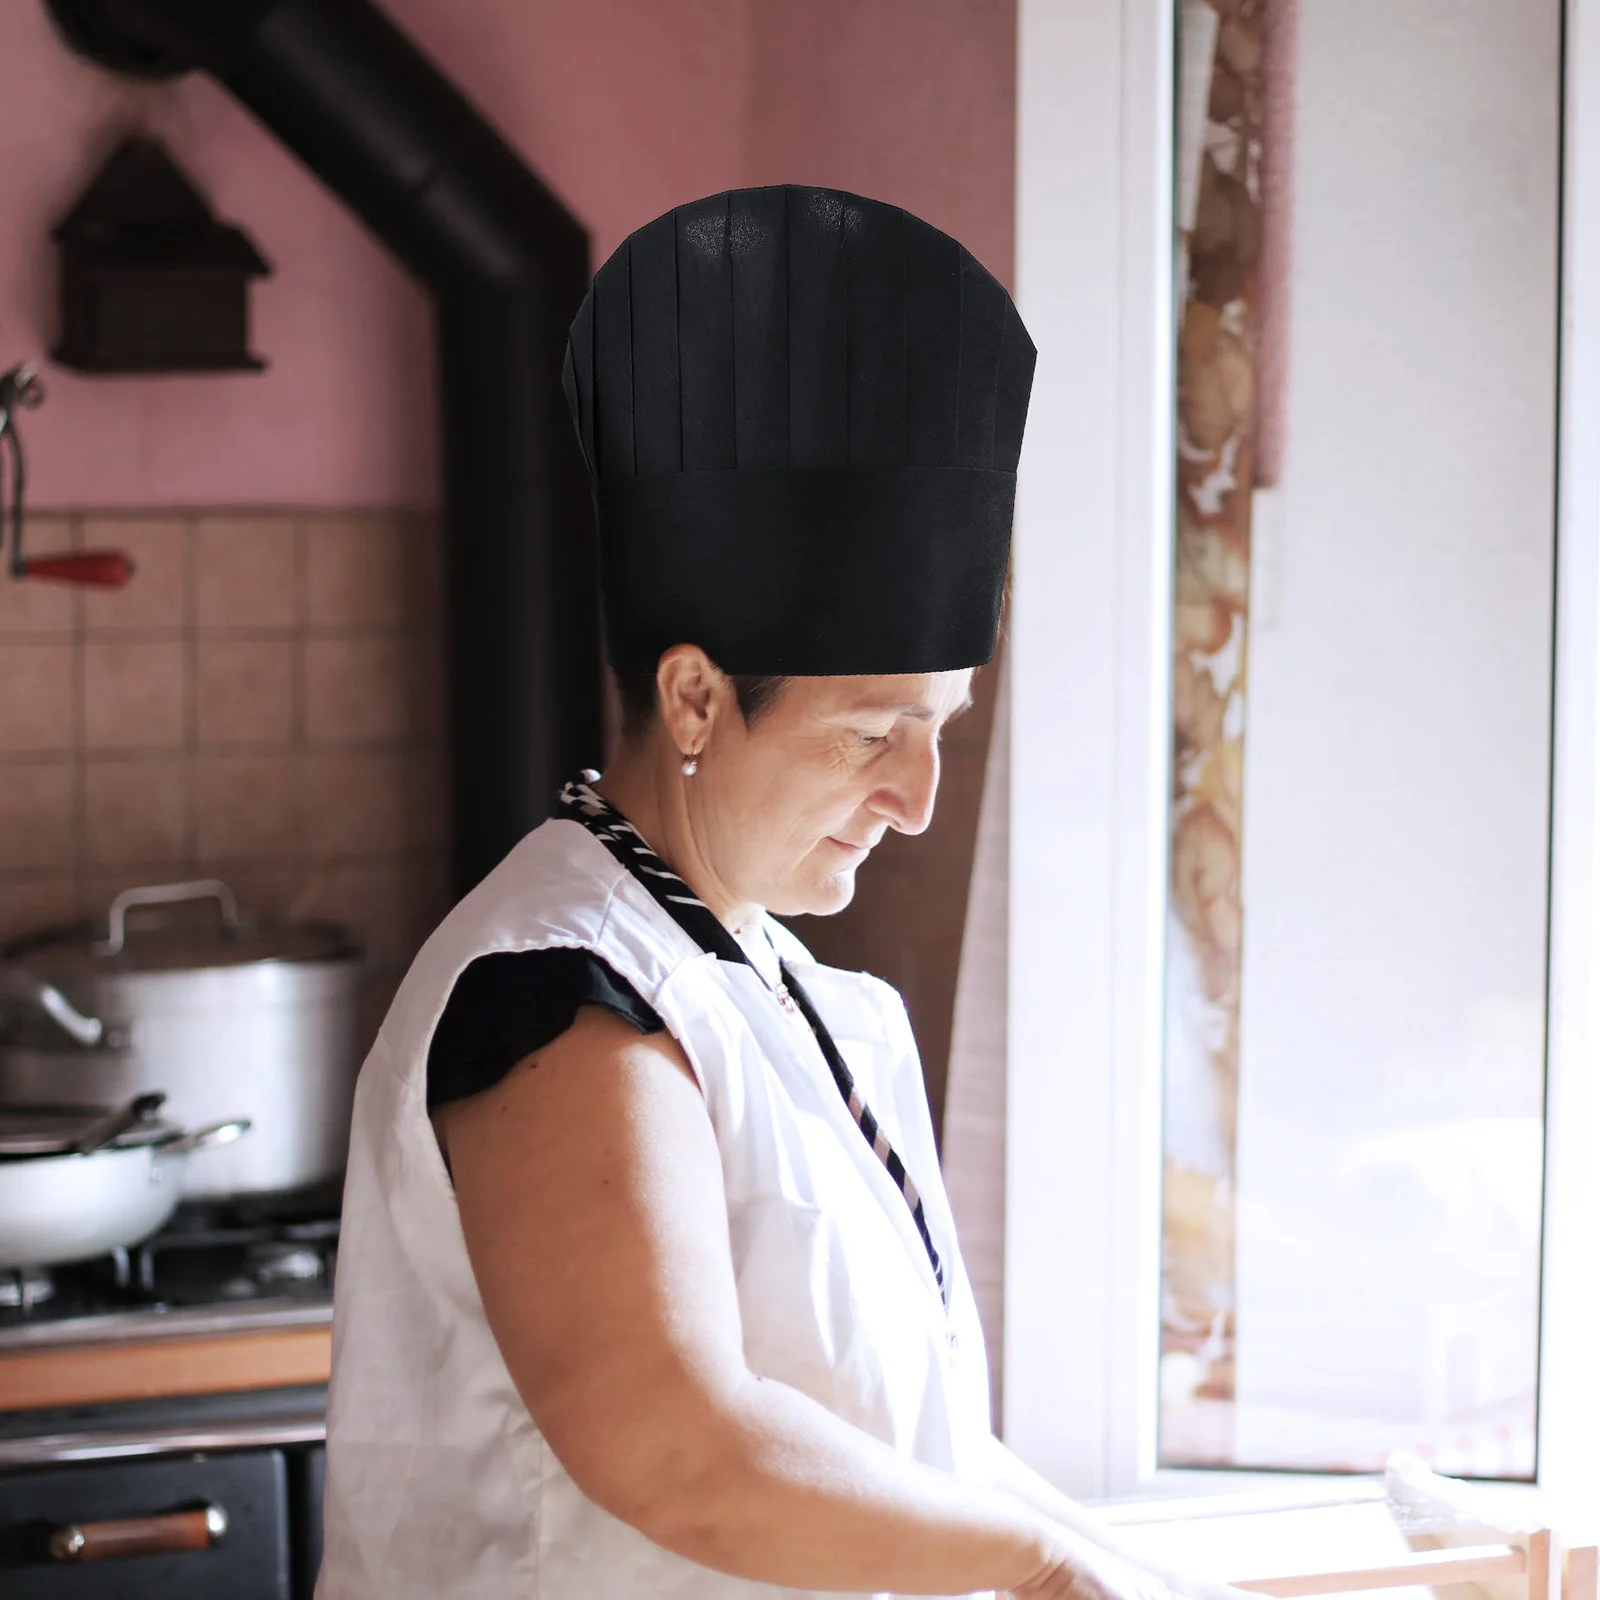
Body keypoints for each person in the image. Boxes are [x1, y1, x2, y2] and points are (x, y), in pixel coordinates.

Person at [318, 186, 1226, 1600]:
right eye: (873, 732)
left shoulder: (795, 996)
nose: (917, 799)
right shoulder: (557, 994)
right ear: (694, 697)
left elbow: (921, 1458)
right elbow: (678, 1446)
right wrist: (1040, 1564)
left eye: (941, 730)